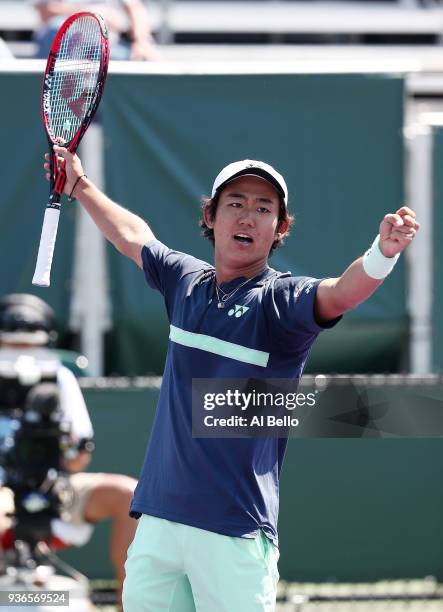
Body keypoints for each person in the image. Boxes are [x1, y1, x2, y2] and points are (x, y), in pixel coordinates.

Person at [44, 146, 420, 611]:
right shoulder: (185, 281)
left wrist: (382, 253)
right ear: (212, 215)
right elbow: (131, 236)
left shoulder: (282, 301)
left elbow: (341, 293)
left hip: (233, 530)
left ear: (280, 228)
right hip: (158, 522)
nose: (248, 216)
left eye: (264, 209)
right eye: (236, 204)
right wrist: (79, 186)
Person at [0, 293, 137, 608]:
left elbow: (78, 458)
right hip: (4, 490)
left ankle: (128, 604)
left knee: (130, 495)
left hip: (53, 483)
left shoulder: (59, 378)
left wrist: (57, 443)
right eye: (13, 346)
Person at [31, 0, 158, 61]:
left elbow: (135, 8)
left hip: (108, 51)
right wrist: (91, 13)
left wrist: (141, 42)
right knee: (55, 29)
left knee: (148, 58)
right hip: (66, 53)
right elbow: (44, 10)